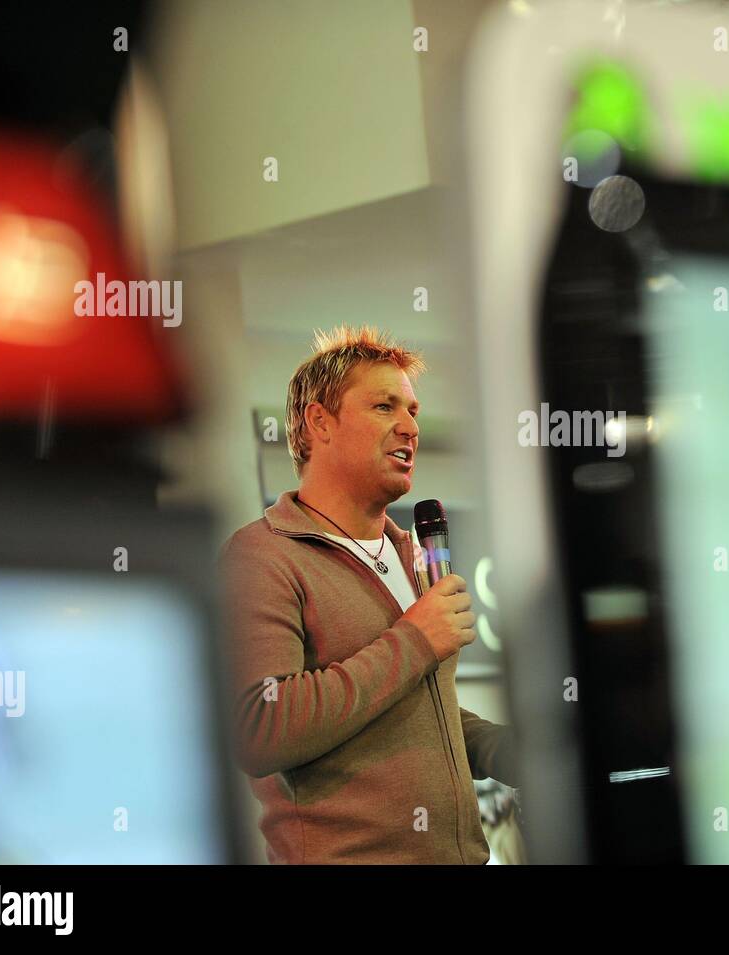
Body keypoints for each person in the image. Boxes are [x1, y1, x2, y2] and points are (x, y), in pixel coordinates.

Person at [219, 325, 518, 863]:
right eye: (384, 406)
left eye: (413, 411)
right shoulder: (262, 556)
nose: (409, 427)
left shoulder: (411, 555)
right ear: (319, 423)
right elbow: (259, 729)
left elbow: (413, 713)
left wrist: (505, 750)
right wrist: (415, 641)